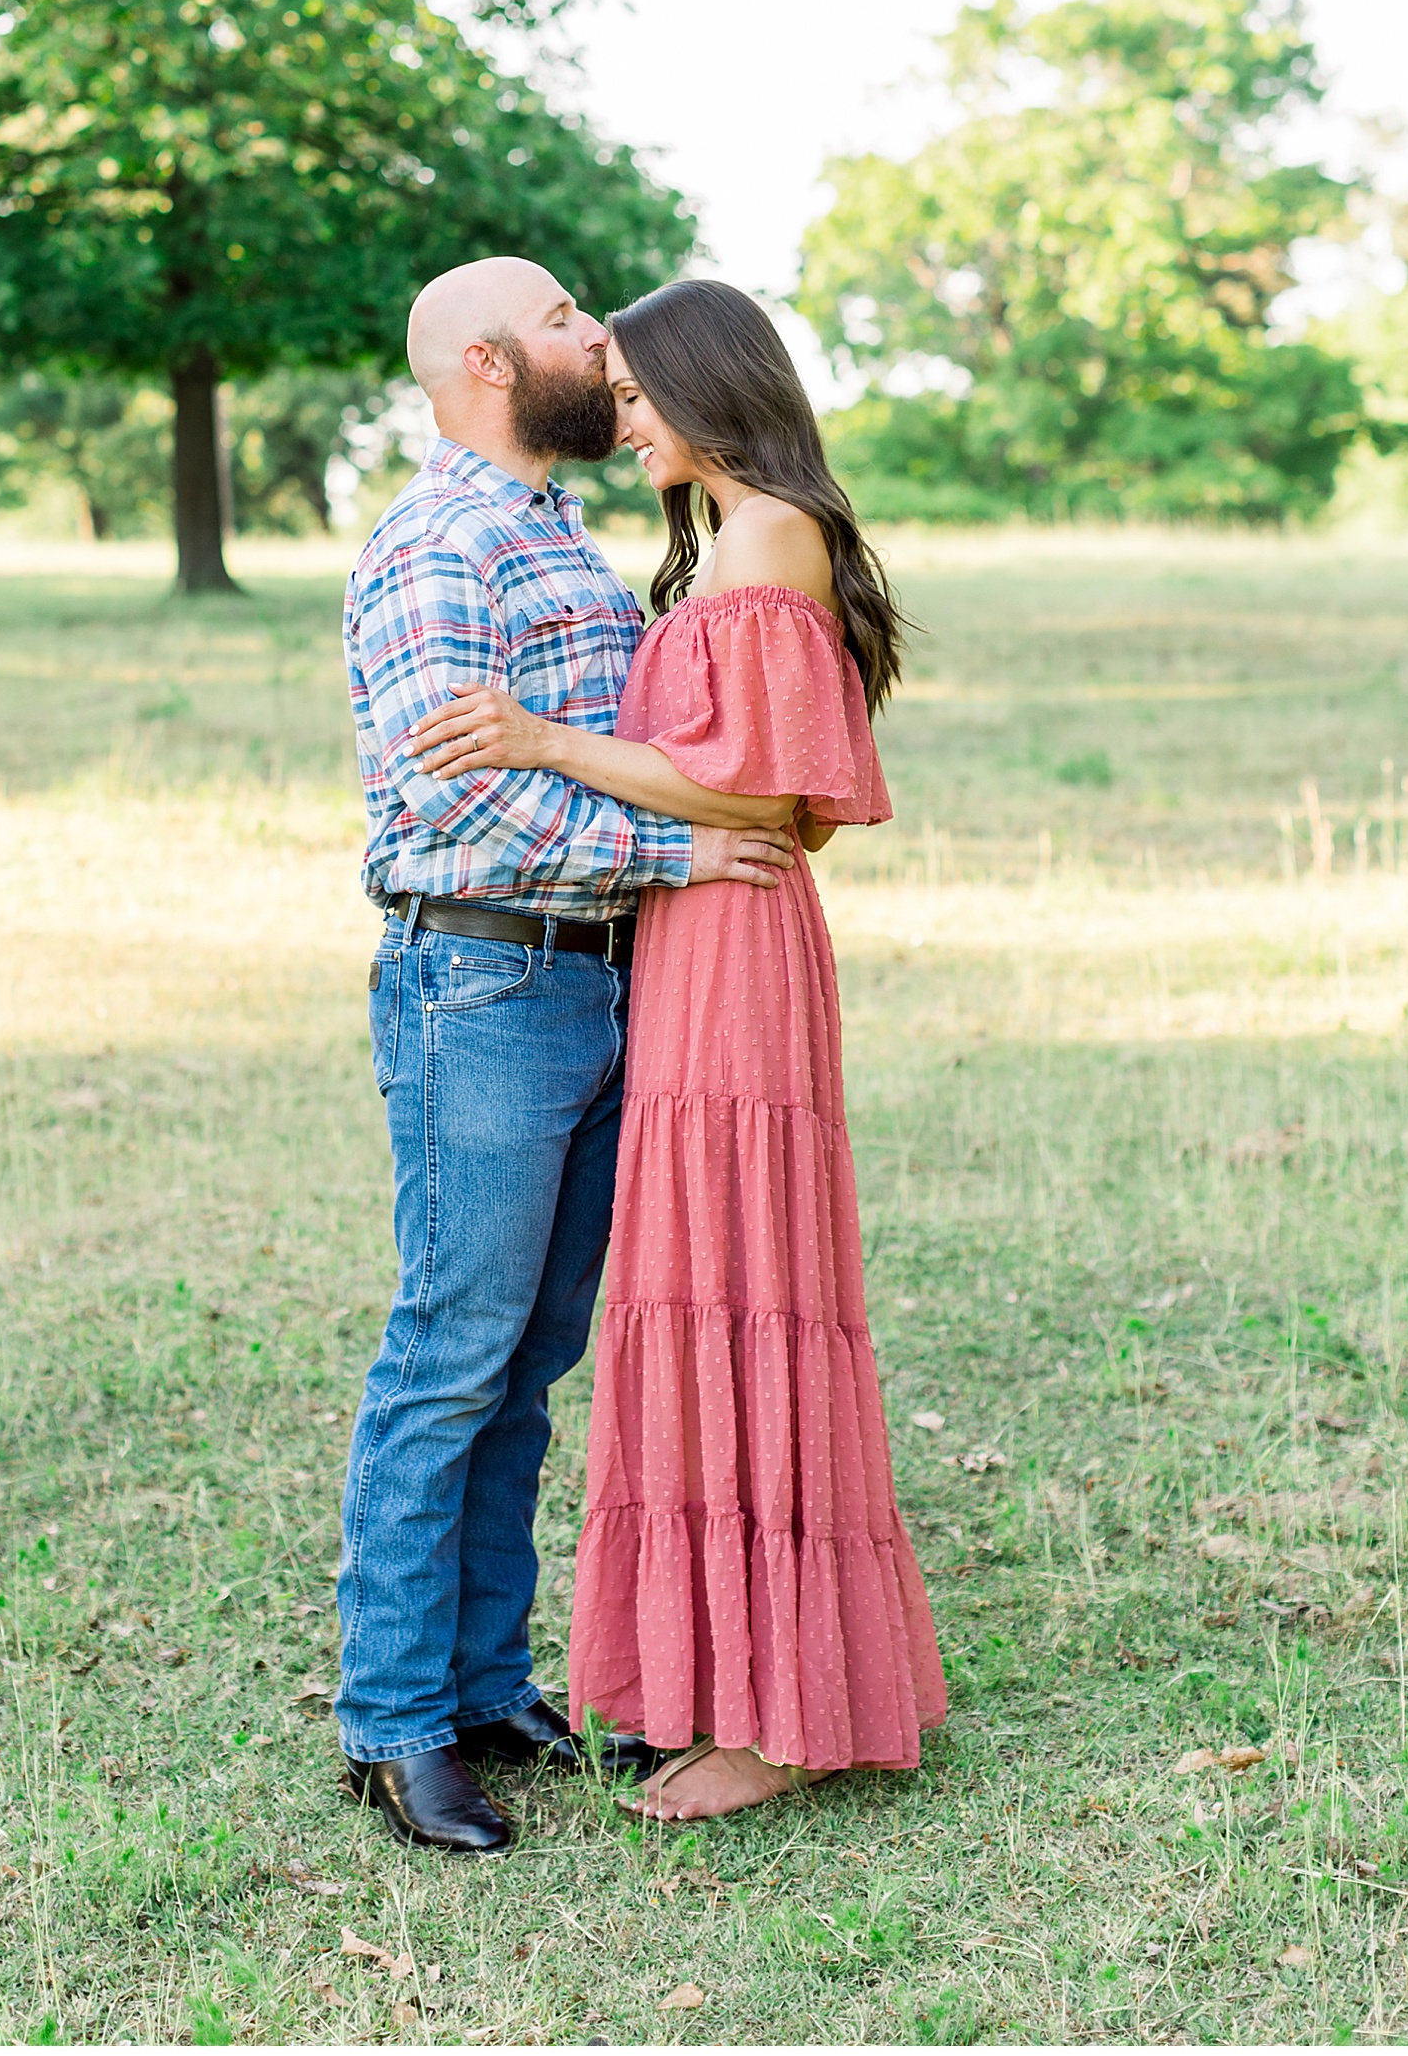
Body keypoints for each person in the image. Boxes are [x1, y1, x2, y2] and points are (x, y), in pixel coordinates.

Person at [407, 277, 945, 1823]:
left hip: (738, 945)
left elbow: (770, 800)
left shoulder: (771, 528)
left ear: (710, 391)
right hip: (690, 935)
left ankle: (774, 1720)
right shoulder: (729, 539)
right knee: (697, 1289)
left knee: (745, 1288)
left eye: (639, 394)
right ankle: (730, 1684)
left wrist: (545, 738)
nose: (621, 416)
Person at [336, 255, 801, 1855]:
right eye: (560, 320)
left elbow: (637, 745)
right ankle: (392, 1720)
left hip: (596, 981)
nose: (595, 340)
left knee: (529, 1362)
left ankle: (482, 1680)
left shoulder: (554, 531)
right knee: (448, 1353)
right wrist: (678, 857)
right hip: (481, 980)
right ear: (482, 359)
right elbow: (456, 788)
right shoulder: (437, 541)